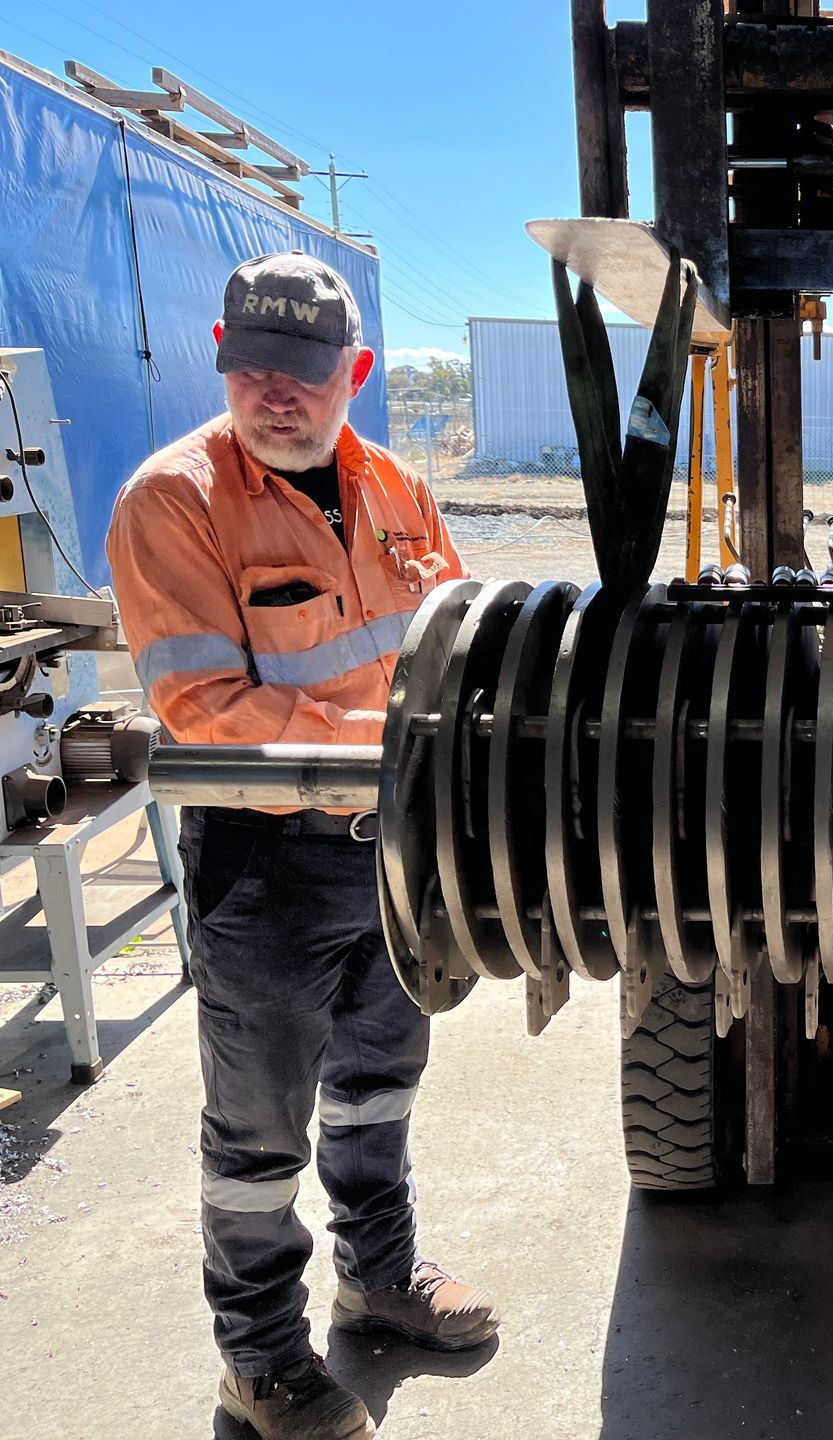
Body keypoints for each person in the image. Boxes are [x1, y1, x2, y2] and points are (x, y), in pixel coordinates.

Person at [106, 254, 496, 1440]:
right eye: (254, 367)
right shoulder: (171, 501)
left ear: (355, 374)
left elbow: (458, 649)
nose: (278, 391)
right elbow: (203, 706)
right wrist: (398, 740)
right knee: (258, 1128)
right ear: (221, 356)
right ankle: (260, 1360)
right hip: (264, 861)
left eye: (306, 372)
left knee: (380, 1081)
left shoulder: (396, 488)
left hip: (396, 853)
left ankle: (379, 1278)